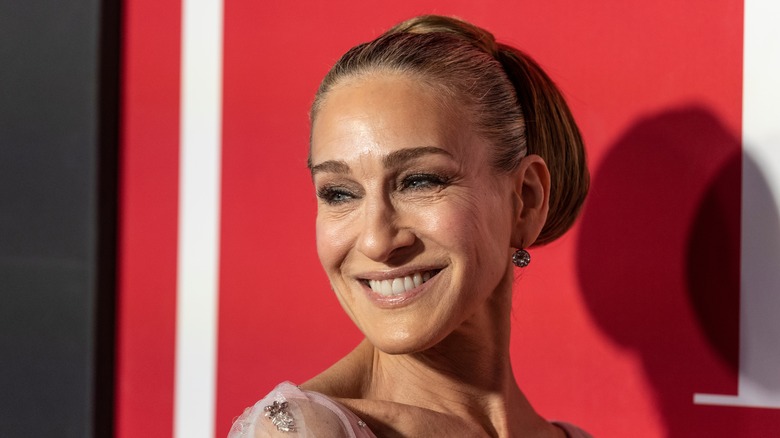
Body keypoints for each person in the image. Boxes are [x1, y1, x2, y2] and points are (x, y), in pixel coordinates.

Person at [230, 14, 591, 438]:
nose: (376, 240)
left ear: (526, 200)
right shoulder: (305, 431)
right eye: (339, 193)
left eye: (419, 181)